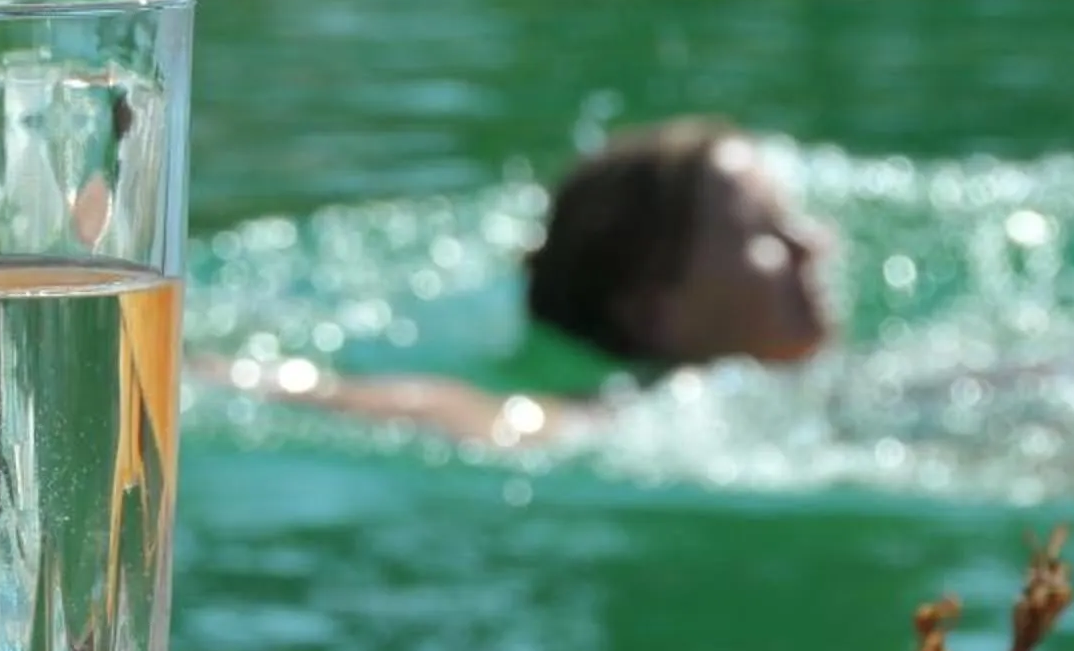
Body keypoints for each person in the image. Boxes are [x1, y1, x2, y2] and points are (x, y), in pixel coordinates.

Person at [203, 118, 834, 446]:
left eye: (792, 218)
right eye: (761, 232)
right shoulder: (664, 413)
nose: (810, 244)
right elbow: (493, 420)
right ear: (650, 308)